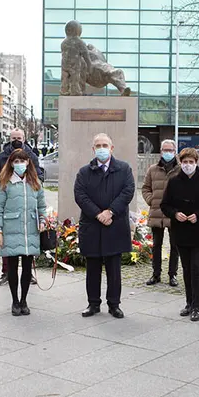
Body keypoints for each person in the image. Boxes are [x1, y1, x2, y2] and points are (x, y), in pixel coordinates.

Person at [74, 133, 135, 319]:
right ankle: (93, 304)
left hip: (114, 225)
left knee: (114, 270)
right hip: (92, 226)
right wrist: (98, 214)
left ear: (112, 148)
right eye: (98, 145)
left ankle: (114, 304)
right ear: (93, 149)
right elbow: (80, 195)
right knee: (92, 268)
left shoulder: (124, 169)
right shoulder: (84, 172)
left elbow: (128, 191)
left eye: (105, 145)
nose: (101, 148)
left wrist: (110, 212)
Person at [161, 148, 199, 321]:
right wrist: (175, 214)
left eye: (191, 162)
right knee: (186, 268)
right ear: (181, 163)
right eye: (185, 162)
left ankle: (197, 306)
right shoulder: (174, 181)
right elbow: (165, 205)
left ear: (196, 163)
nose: (188, 165)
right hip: (181, 232)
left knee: (196, 267)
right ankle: (189, 302)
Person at [0, 149, 47, 316]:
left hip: (30, 230)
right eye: (16, 161)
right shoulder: (4, 182)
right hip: (11, 229)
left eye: (22, 161)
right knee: (13, 267)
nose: (20, 164)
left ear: (28, 162)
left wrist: (43, 221)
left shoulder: (35, 182)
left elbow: (42, 206)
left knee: (27, 269)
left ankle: (24, 300)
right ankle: (15, 301)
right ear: (11, 163)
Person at [0, 128, 43, 287]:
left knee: (29, 242)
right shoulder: (2, 156)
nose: (16, 140)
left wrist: (33, 185)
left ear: (24, 138)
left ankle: (30, 274)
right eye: (13, 138)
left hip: (28, 206)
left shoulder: (32, 155)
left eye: (19, 137)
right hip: (9, 208)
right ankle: (6, 272)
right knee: (8, 246)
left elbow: (38, 174)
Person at [142, 139, 181, 287]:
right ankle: (156, 274)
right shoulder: (152, 169)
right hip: (157, 212)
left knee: (174, 245)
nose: (167, 153)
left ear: (175, 151)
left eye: (170, 150)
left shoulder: (180, 169)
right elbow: (145, 188)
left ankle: (173, 275)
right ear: (161, 151)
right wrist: (151, 200)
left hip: (173, 213)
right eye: (165, 150)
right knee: (156, 245)